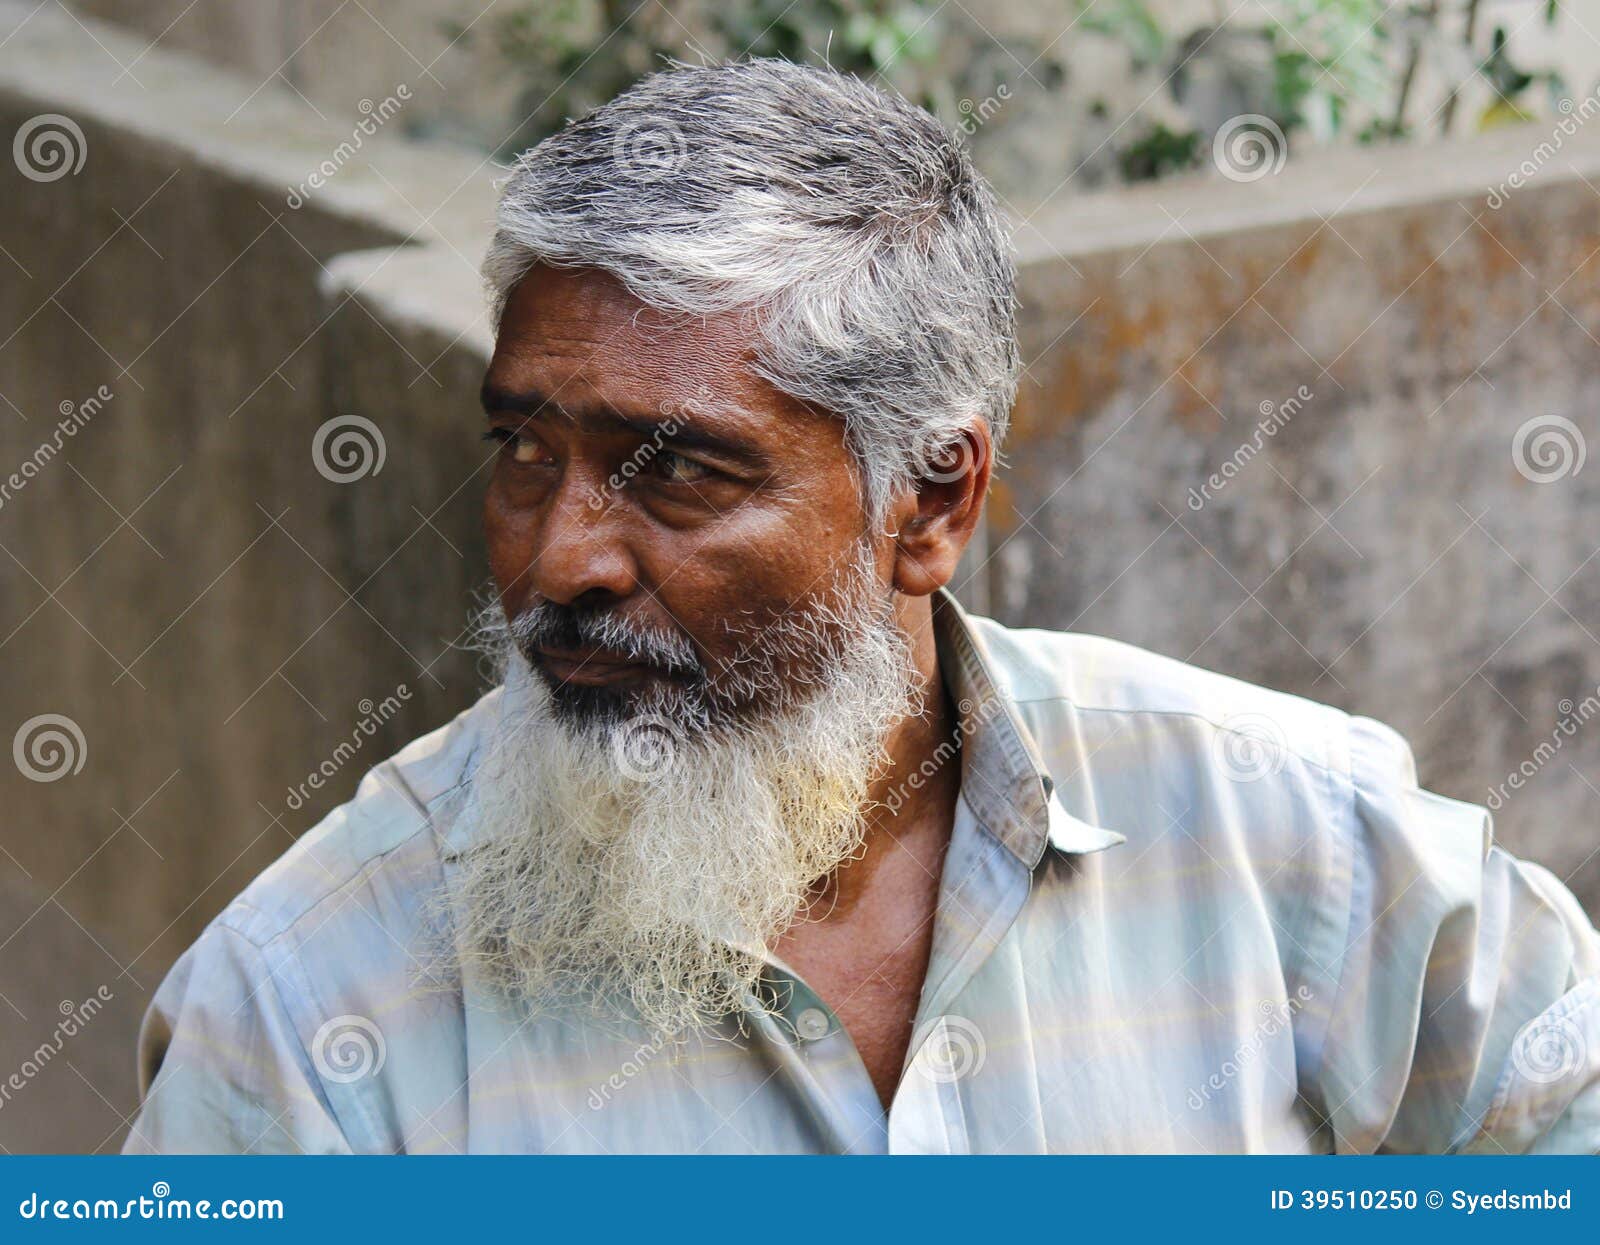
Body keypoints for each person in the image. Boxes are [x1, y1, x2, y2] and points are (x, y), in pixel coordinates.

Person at [125, 59, 1600, 1155]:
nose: (560, 557)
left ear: (933, 505)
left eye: (680, 474)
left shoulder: (1289, 838)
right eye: (524, 450)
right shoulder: (307, 1007)